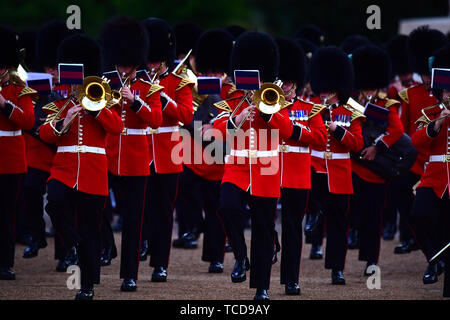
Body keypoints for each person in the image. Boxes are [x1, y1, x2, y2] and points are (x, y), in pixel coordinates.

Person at [40, 33, 124, 299]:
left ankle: (86, 287)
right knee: (53, 202)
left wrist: (96, 109)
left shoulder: (103, 102)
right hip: (63, 169)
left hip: (93, 171)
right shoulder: (59, 104)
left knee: (91, 228)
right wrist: (64, 120)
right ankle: (72, 242)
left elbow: (118, 127)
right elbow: (44, 133)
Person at [213, 31, 293, 300]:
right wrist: (237, 119)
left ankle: (262, 288)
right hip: (236, 167)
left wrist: (266, 111)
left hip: (266, 170)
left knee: (262, 229)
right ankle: (240, 256)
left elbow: (287, 129)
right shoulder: (234, 99)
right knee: (227, 206)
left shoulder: (273, 97)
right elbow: (214, 130)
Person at [100, 16, 163, 292]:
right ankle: (106, 246)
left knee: (133, 219)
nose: (124, 68)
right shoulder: (104, 83)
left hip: (136, 160)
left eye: (128, 64)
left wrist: (135, 101)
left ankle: (129, 274)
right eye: (121, 62)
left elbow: (157, 120)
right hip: (109, 156)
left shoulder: (148, 87)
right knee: (98, 208)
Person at [141, 17, 194, 282]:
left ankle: (160, 264)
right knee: (142, 208)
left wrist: (163, 97)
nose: (151, 65)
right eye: (148, 60)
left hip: (167, 155)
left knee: (163, 211)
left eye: (155, 61)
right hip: (141, 153)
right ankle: (142, 244)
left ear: (164, 59)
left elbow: (185, 115)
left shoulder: (179, 82)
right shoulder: (136, 81)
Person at [275, 36, 327, 295]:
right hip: (270, 171)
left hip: (296, 173)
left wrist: (295, 131)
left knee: (293, 229)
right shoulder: (268, 105)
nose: (281, 86)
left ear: (294, 83)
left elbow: (319, 138)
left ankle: (291, 279)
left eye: (285, 82)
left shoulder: (310, 108)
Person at [308, 46, 364, 284]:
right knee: (310, 197)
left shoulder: (351, 111)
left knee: (339, 222)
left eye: (328, 90)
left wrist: (339, 131)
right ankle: (314, 215)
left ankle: (336, 268)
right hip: (315, 166)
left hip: (340, 172)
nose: (324, 93)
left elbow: (358, 144)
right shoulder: (311, 106)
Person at [22, 21, 74, 269]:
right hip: (38, 147)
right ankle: (36, 235)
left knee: (60, 202)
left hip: (61, 149)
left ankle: (64, 253)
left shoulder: (72, 85)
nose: (53, 71)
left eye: (56, 67)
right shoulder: (34, 84)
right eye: (49, 67)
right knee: (30, 189)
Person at [350, 45, 404, 275]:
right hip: (354, 167)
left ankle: (371, 260)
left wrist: (376, 147)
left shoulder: (384, 104)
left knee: (373, 217)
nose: (369, 90)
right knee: (356, 214)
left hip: (375, 170)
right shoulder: (353, 101)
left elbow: (397, 130)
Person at [410, 44, 450, 293]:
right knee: (418, 215)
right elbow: (414, 141)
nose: (448, 95)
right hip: (434, 178)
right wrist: (437, 124)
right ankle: (436, 258)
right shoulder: (432, 113)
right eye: (444, 90)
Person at [0, 25, 36, 280]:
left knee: (6, 214)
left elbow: (28, 121)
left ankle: (5, 263)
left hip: (11, 159)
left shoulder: (19, 86)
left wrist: (4, 105)